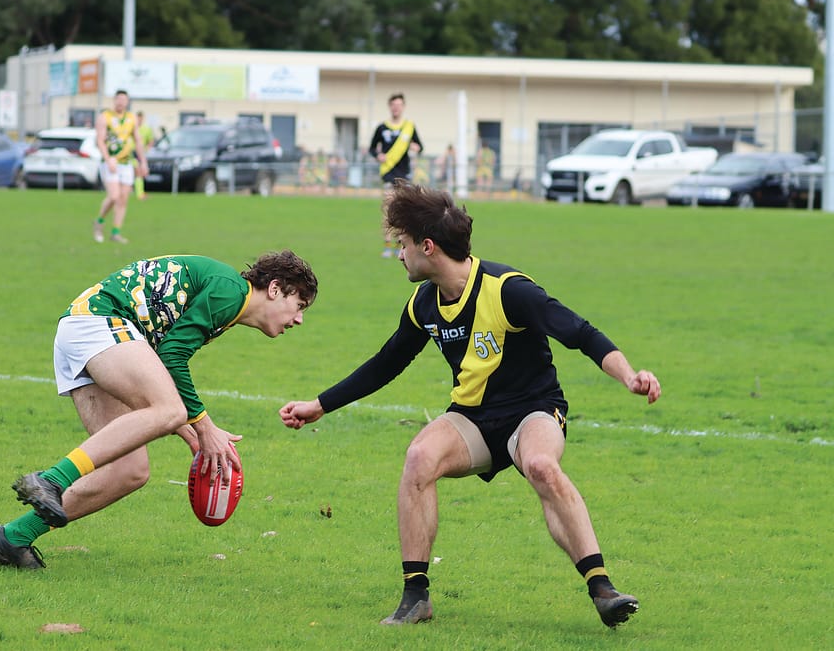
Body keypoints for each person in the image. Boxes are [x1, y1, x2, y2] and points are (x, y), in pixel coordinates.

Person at [280, 182, 660, 628]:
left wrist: (629, 375)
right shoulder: (424, 303)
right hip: (473, 418)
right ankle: (415, 598)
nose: (399, 255)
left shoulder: (509, 290)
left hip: (533, 410)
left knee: (540, 464)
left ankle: (602, 589)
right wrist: (320, 405)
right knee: (419, 457)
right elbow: (387, 363)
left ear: (427, 246)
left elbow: (581, 333)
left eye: (402, 245)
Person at [0, 251, 318, 569]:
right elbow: (172, 357)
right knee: (170, 410)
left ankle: (13, 538)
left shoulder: (228, 302)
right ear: (275, 289)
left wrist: (190, 430)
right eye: (299, 305)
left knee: (130, 470)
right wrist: (203, 426)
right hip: (101, 322)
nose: (300, 319)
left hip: (87, 331)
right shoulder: (231, 292)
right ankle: (51, 479)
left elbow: (157, 373)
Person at [368, 93, 422, 259]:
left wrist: (416, 147)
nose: (396, 108)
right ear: (390, 107)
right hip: (388, 174)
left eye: (399, 105)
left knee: (404, 210)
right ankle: (387, 246)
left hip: (404, 174)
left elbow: (420, 146)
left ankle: (402, 244)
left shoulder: (409, 126)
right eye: (393, 105)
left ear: (403, 107)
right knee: (388, 208)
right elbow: (372, 148)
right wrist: (378, 155)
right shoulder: (382, 128)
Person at [92, 89, 147, 244]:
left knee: (123, 199)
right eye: (119, 99)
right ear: (114, 100)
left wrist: (143, 161)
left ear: (127, 102)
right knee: (114, 196)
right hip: (111, 162)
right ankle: (99, 221)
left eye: (124, 99)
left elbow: (137, 141)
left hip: (126, 163)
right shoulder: (105, 117)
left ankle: (116, 232)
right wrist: (108, 159)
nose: (121, 102)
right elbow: (100, 140)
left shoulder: (131, 118)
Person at [133, 111, 155, 200]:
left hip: (140, 153)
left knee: (139, 172)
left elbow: (150, 141)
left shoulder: (146, 128)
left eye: (141, 118)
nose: (139, 120)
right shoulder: (132, 127)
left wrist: (147, 149)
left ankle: (139, 193)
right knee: (137, 172)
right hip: (131, 153)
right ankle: (137, 192)